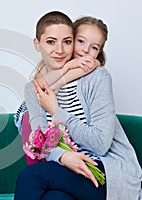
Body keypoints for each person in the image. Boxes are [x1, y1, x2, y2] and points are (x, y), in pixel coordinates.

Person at [14, 11, 142, 200]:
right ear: (37, 44)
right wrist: (63, 157)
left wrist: (56, 111)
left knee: (30, 175)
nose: (60, 50)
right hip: (66, 170)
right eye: (51, 42)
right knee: (55, 198)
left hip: (105, 172)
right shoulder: (34, 89)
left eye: (67, 42)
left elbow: (100, 145)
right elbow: (39, 142)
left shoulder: (98, 78)